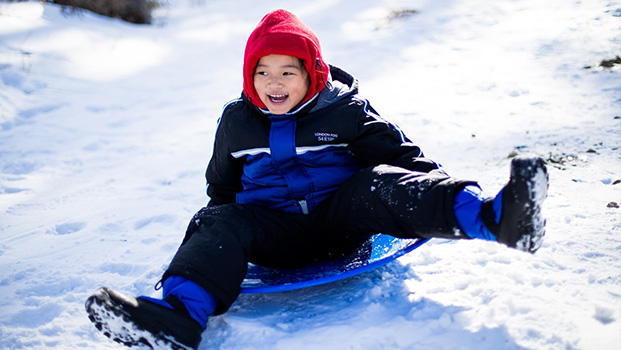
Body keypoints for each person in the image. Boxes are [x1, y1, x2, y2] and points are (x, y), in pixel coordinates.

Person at [85, 9, 549, 350]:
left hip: (341, 223)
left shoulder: (344, 110)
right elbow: (221, 185)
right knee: (219, 218)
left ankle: (495, 218)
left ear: (313, 73)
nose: (275, 82)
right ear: (249, 78)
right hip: (275, 234)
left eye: (288, 70)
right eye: (262, 72)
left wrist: (431, 195)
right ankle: (179, 318)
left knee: (379, 182)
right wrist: (217, 236)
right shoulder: (237, 122)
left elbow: (402, 158)